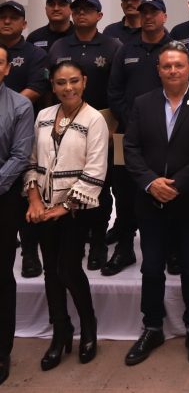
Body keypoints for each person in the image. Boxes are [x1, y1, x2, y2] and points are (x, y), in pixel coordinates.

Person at [122, 41, 189, 367]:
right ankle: (152, 327)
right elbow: (130, 148)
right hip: (150, 200)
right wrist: (151, 182)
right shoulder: (142, 103)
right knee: (151, 267)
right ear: (158, 70)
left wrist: (177, 184)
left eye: (179, 65)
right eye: (167, 66)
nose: (173, 70)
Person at [24, 61, 109, 371]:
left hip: (76, 210)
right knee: (50, 271)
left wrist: (65, 207)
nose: (68, 88)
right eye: (61, 82)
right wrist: (34, 199)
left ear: (84, 82)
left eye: (74, 81)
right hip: (43, 209)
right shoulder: (43, 116)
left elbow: (96, 168)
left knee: (69, 269)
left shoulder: (95, 119)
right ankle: (60, 332)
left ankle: (88, 326)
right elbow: (31, 160)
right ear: (53, 85)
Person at [49, 0, 122, 271]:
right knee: (71, 181)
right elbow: (51, 89)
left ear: (99, 16)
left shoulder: (113, 45)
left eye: (88, 9)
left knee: (101, 185)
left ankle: (99, 242)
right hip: (66, 124)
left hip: (104, 124)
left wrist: (114, 125)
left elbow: (117, 89)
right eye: (77, 9)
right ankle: (76, 241)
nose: (81, 13)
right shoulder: (59, 46)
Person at [105, 0, 173, 276]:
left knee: (166, 189)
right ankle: (125, 247)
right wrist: (132, 121)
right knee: (124, 191)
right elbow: (114, 91)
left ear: (164, 16)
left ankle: (169, 249)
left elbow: (183, 88)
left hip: (166, 134)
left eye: (154, 12)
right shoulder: (126, 49)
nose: (148, 17)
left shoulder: (175, 49)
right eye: (144, 12)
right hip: (128, 134)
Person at [0, 0, 50, 279]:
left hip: (23, 128)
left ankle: (29, 252)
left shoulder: (34, 53)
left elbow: (37, 87)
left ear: (24, 23)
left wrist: (10, 109)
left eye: (13, 17)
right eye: (2, 17)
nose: (6, 21)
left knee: (26, 194)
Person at [0, 43, 34, 386]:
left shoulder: (20, 105)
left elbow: (20, 156)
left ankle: (1, 351)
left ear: (7, 68)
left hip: (4, 198)